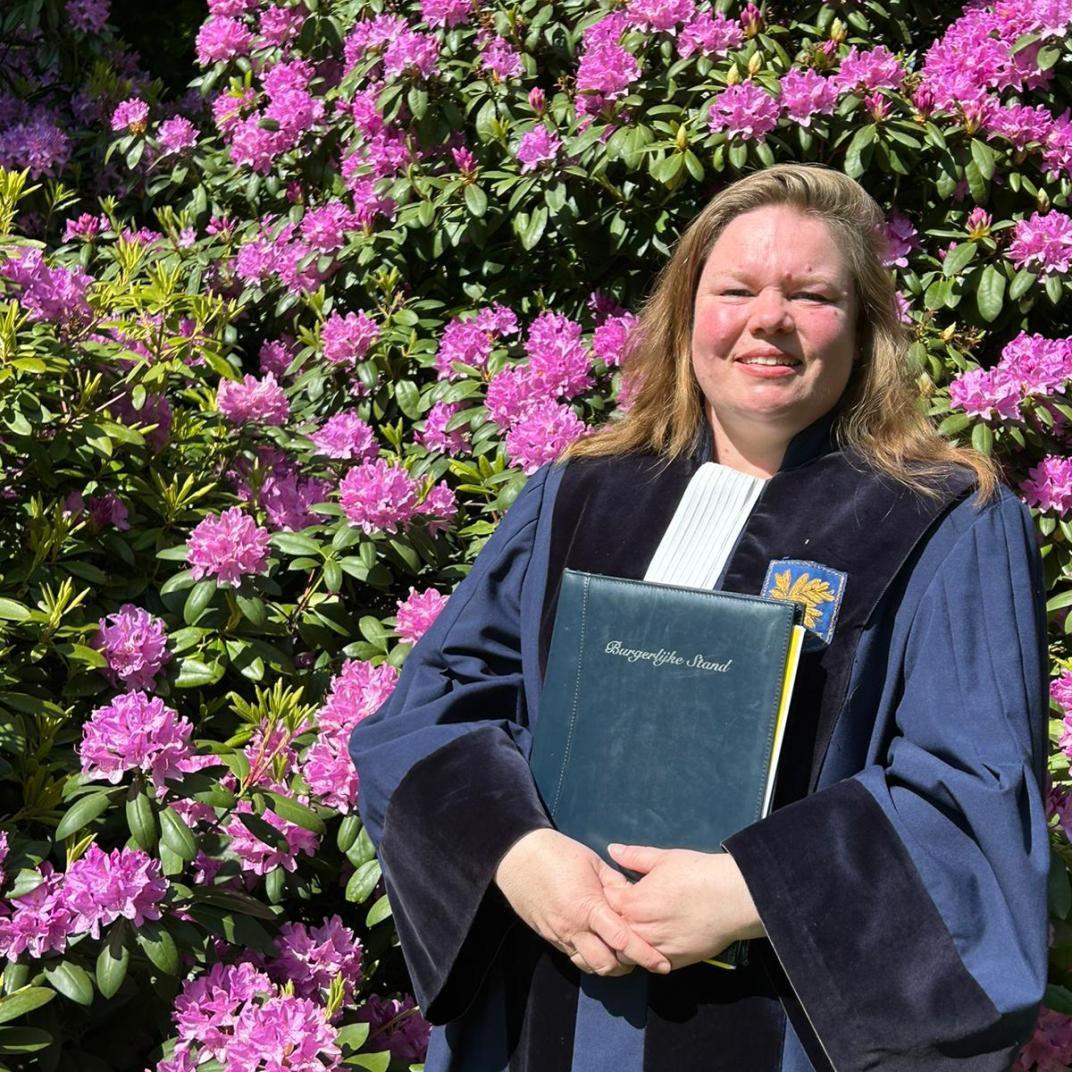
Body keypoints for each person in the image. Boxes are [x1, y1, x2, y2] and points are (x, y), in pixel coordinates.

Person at [348, 164, 1050, 1072]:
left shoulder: (946, 520)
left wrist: (755, 890)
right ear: (689, 316)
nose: (769, 319)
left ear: (866, 328)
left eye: (811, 294)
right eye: (736, 289)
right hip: (546, 1004)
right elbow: (431, 711)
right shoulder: (578, 496)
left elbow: (973, 800)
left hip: (779, 1024)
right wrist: (516, 853)